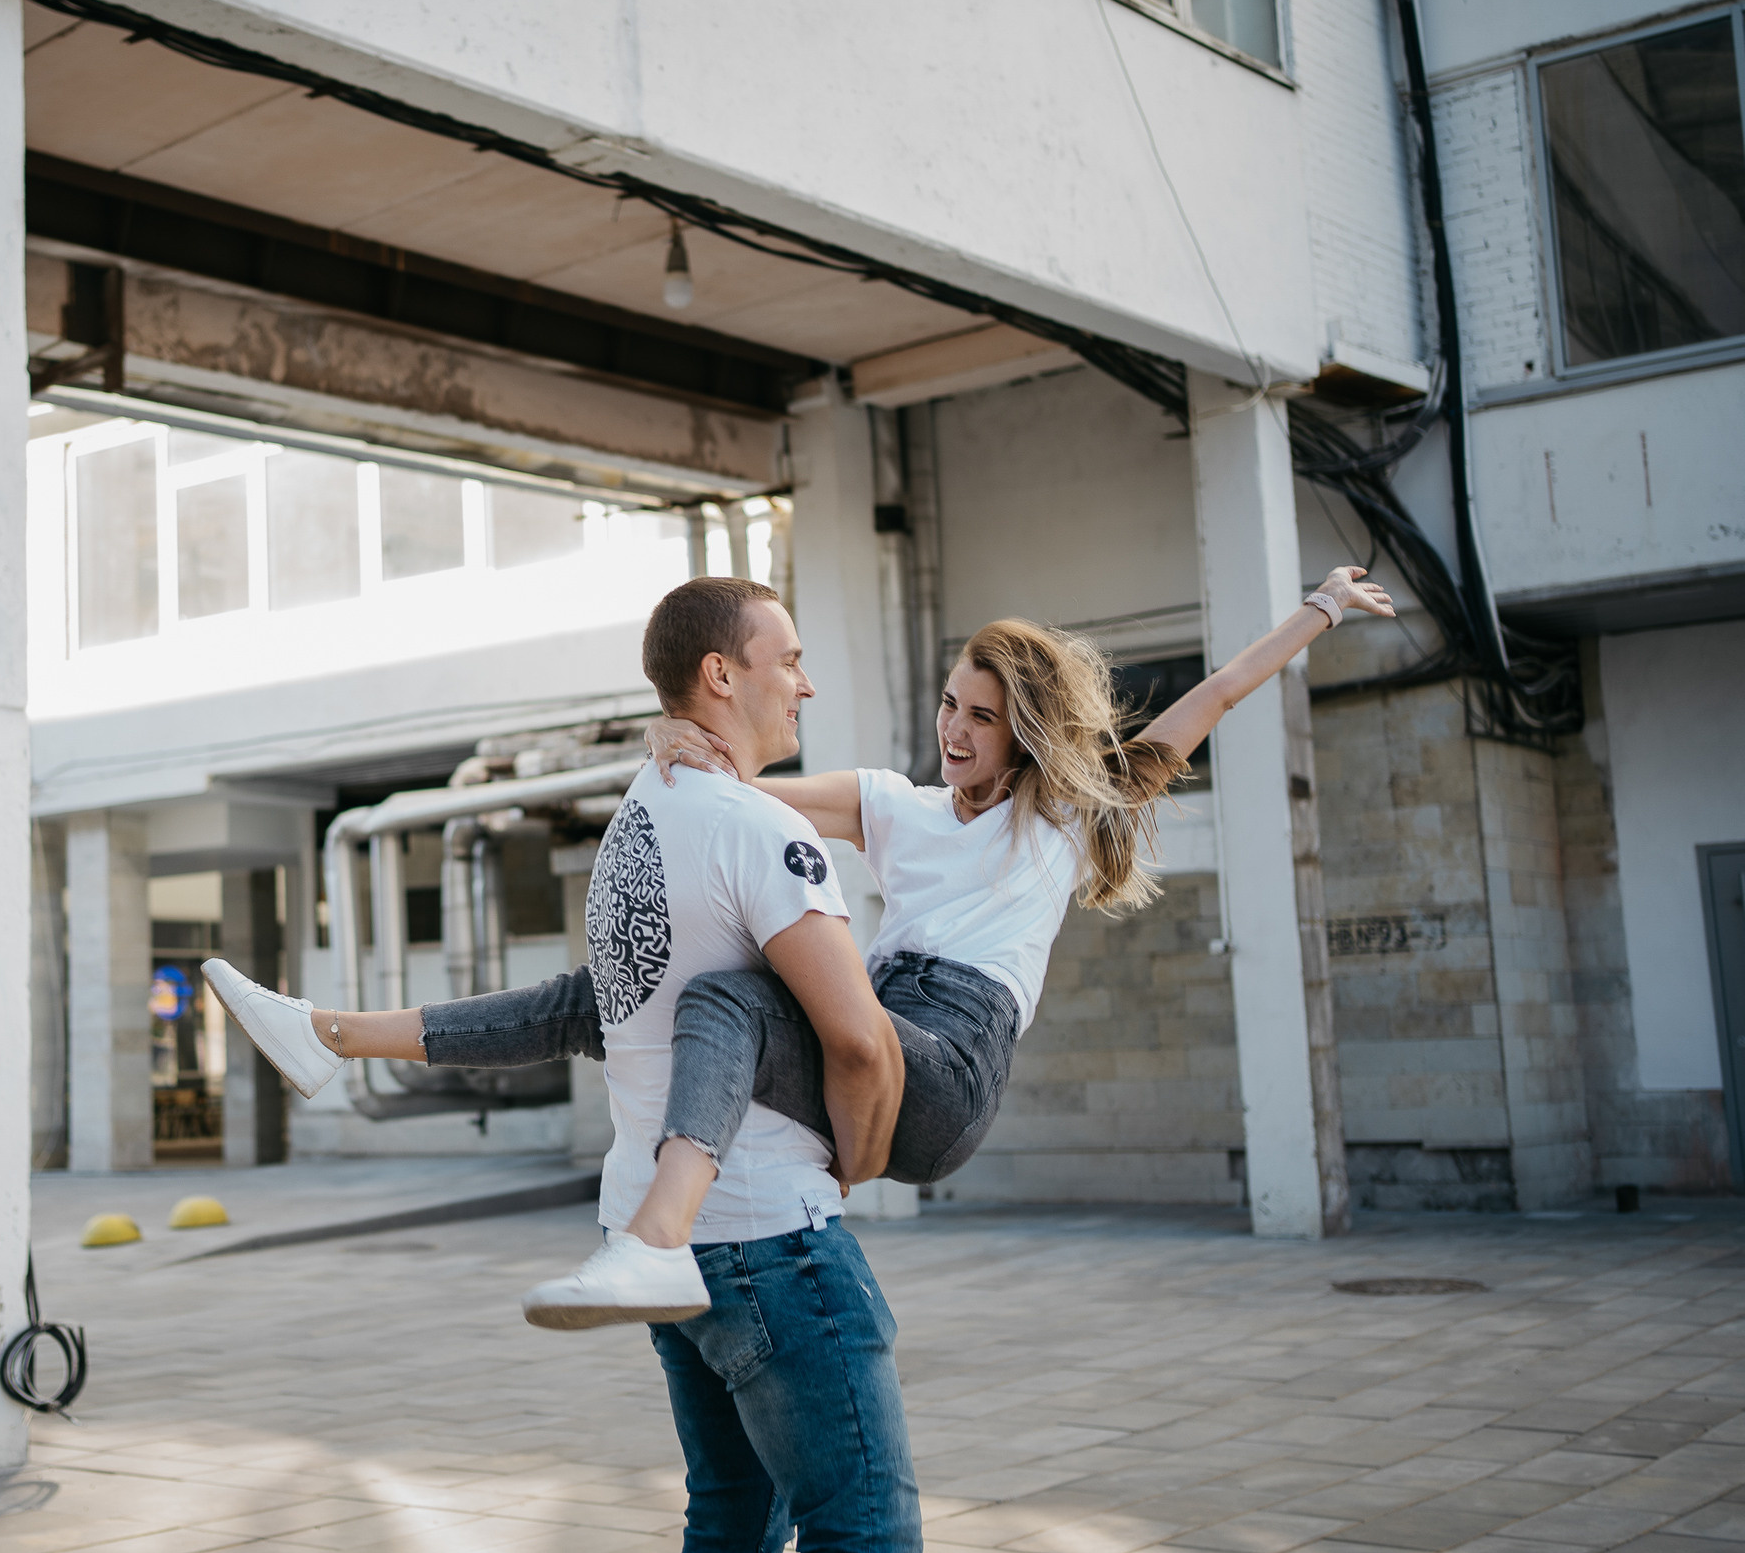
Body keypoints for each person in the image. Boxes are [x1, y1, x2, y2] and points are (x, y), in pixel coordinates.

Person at [212, 565, 1395, 1327]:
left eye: (981, 715)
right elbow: (748, 779)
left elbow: (1216, 697)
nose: (955, 729)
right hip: (879, 1010)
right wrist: (672, 726)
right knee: (619, 993)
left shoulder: (1063, 816)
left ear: (1024, 730)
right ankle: (332, 1035)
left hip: (948, 1060)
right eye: (948, 704)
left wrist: (1322, 609)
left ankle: (656, 1238)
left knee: (723, 1001)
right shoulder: (895, 802)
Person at [223, 576, 919, 1553]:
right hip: (773, 1241)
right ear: (721, 674)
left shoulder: (641, 816)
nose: (804, 685)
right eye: (791, 661)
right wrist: (862, 1157)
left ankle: (326, 1033)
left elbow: (580, 1011)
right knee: (866, 1539)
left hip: (670, 1246)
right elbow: (856, 1041)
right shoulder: (761, 830)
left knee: (729, 1523)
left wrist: (348, 1033)